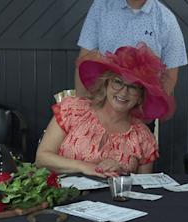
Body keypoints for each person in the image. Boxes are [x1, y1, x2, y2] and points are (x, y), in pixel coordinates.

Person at [36, 42, 176, 178]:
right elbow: (41, 160)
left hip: (115, 201)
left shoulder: (143, 137)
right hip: (66, 199)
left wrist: (120, 173)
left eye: (133, 87)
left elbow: (144, 190)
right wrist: (84, 167)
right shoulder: (72, 110)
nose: (123, 92)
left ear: (140, 96)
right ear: (106, 83)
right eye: (117, 82)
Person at [75, 0, 187, 110]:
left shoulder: (166, 19)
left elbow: (170, 73)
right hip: (101, 105)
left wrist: (148, 111)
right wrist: (82, 106)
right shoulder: (101, 6)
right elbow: (84, 59)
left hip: (139, 108)